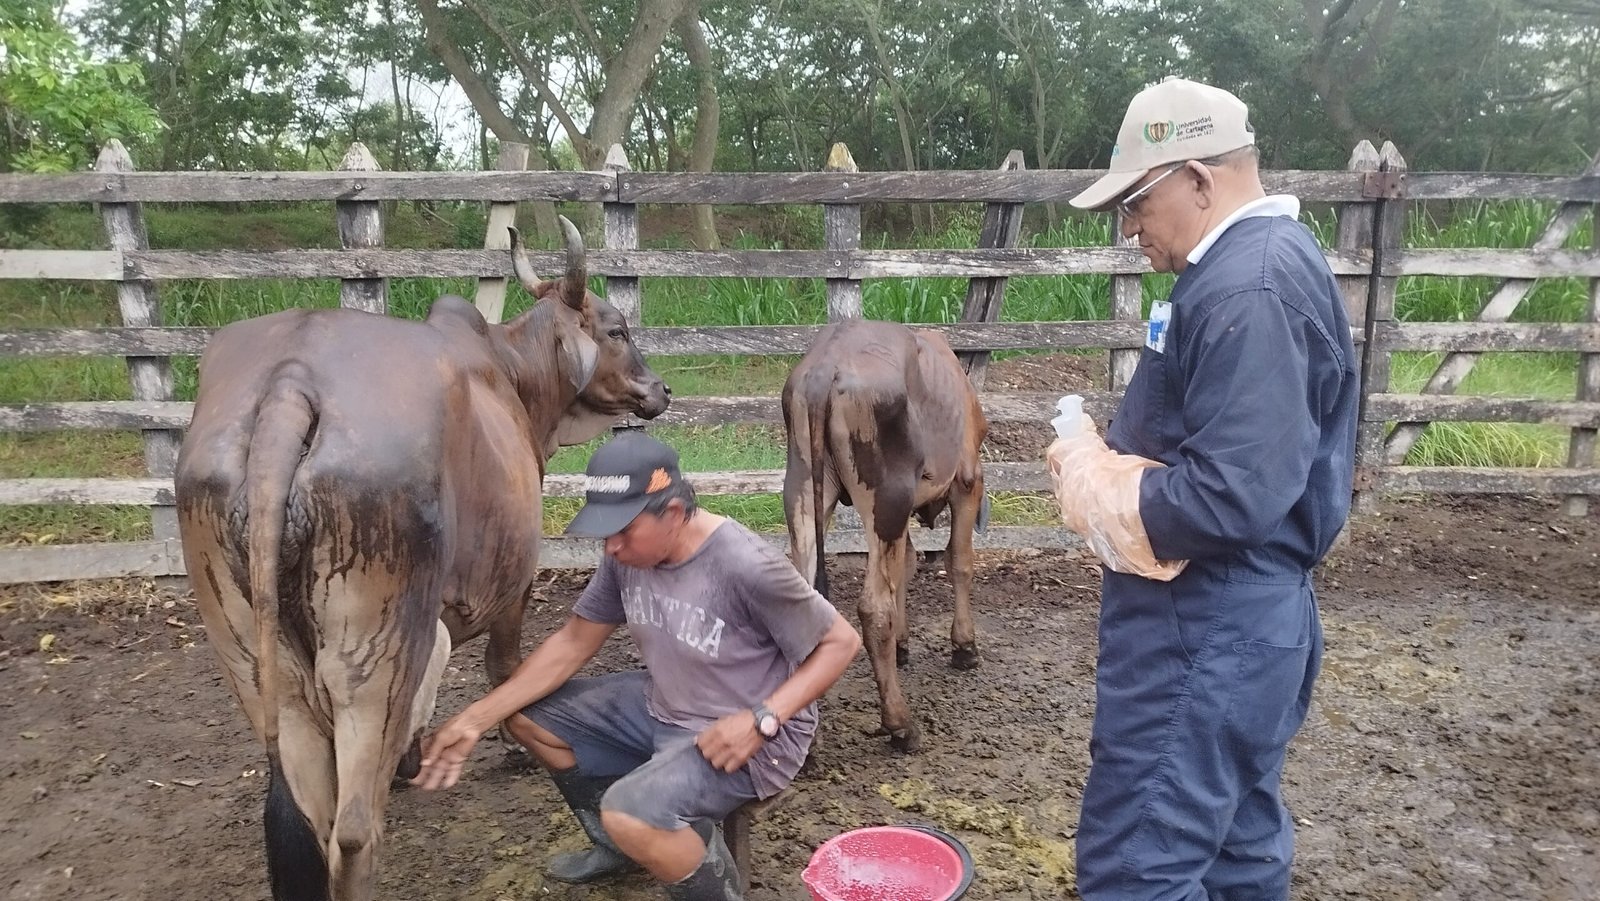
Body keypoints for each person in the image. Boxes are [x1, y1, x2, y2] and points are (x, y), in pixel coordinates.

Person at [1049, 77, 1359, 900]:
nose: (1130, 229)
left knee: (1137, 870)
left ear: (1197, 178)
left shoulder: (1248, 288)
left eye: (1138, 204)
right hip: (1240, 629)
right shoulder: (1248, 271)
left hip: (1204, 630)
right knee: (1235, 848)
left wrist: (1099, 485)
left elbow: (1232, 497)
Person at [411, 429, 862, 901]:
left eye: (624, 531)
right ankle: (621, 847)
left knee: (630, 810)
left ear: (671, 513)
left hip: (743, 735)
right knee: (525, 719)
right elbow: (573, 641)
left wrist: (762, 719)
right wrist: (474, 719)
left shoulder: (745, 564)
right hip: (664, 704)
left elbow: (840, 643)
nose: (611, 547)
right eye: (607, 532)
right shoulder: (628, 556)